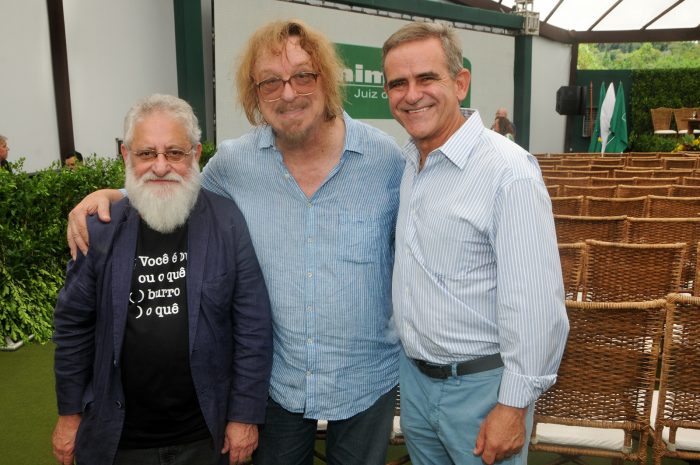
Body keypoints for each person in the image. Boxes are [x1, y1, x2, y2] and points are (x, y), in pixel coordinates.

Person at [65, 20, 404, 465]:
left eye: (303, 75)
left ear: (327, 79)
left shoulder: (387, 161)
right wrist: (113, 196)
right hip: (278, 387)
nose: (288, 93)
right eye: (270, 82)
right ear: (254, 95)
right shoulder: (234, 164)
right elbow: (175, 181)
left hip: (367, 382)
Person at [382, 22, 569, 465]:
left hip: (483, 392)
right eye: (398, 83)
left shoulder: (508, 171)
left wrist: (513, 404)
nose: (412, 94)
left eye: (427, 78)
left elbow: (537, 304)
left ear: (460, 82)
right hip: (417, 383)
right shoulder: (411, 162)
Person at [52, 94, 273, 465]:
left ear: (196, 154)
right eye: (146, 153)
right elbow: (73, 326)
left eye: (174, 153)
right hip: (120, 439)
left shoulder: (227, 221)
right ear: (126, 155)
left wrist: (244, 416)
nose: (160, 166)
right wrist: (69, 415)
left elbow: (253, 326)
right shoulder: (100, 230)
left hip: (205, 436)